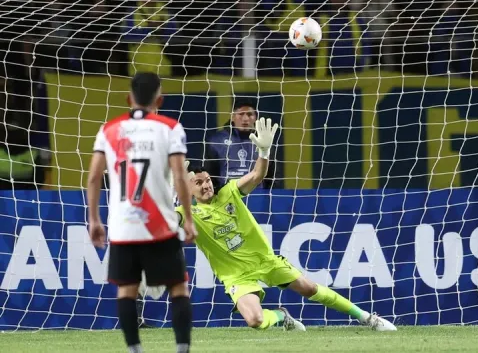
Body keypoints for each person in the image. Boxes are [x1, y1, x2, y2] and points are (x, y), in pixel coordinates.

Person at [175, 117, 397, 332]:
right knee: (255, 320)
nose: (207, 185)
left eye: (207, 180)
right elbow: (171, 219)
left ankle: (368, 318)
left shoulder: (229, 193)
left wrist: (263, 152)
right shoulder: (188, 212)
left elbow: (257, 175)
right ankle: (282, 315)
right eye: (198, 182)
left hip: (267, 261)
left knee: (309, 288)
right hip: (237, 276)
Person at [86, 72, 197, 353]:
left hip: (123, 227)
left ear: (128, 98)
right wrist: (190, 220)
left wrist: (94, 220)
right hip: (160, 224)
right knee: (178, 289)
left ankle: (135, 350)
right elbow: (180, 177)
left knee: (126, 290)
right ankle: (182, 349)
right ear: (159, 99)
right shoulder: (170, 127)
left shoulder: (108, 129)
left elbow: (94, 178)